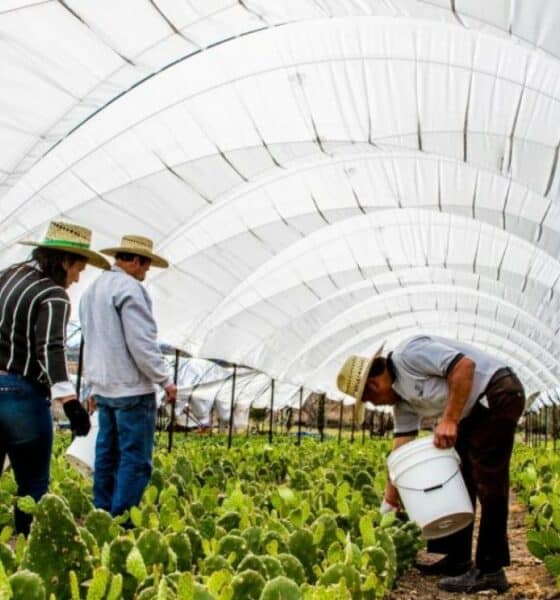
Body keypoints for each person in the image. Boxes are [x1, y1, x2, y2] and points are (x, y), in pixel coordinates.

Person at [336, 334, 525, 594]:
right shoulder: (402, 403)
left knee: (488, 478)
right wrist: (389, 502)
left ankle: (491, 570)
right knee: (459, 476)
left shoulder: (409, 355)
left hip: (497, 392)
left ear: (373, 386)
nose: (374, 405)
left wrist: (449, 420)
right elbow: (399, 451)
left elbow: (464, 367)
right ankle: (458, 559)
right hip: (473, 411)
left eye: (368, 400)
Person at [0, 221, 109, 534]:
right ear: (64, 261)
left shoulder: (8, 275)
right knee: (32, 484)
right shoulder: (54, 295)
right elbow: (50, 347)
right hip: (21, 396)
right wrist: (69, 401)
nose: (77, 279)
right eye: (79, 269)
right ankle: (25, 549)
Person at [79, 235, 177, 517]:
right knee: (134, 458)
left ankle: (101, 513)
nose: (145, 274)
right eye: (145, 267)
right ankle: (122, 520)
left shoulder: (92, 290)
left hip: (104, 388)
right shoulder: (130, 289)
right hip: (132, 390)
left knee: (107, 454)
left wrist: (92, 386)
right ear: (134, 261)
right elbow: (141, 343)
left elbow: (92, 341)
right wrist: (165, 380)